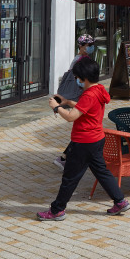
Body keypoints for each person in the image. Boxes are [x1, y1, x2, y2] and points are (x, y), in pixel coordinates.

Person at [37, 57, 130, 220]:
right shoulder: (99, 89)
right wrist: (68, 101)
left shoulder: (88, 95)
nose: (76, 81)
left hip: (83, 142)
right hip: (96, 139)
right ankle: (120, 201)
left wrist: (57, 107)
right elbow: (86, 108)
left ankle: (57, 210)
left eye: (77, 79)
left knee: (70, 178)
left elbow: (71, 117)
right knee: (102, 172)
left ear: (84, 79)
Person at [53, 34, 95, 168]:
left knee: (83, 131)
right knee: (83, 132)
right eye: (89, 45)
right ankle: (65, 159)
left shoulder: (83, 59)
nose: (92, 47)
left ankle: (66, 158)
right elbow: (78, 82)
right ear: (81, 47)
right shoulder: (80, 61)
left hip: (81, 99)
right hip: (81, 99)